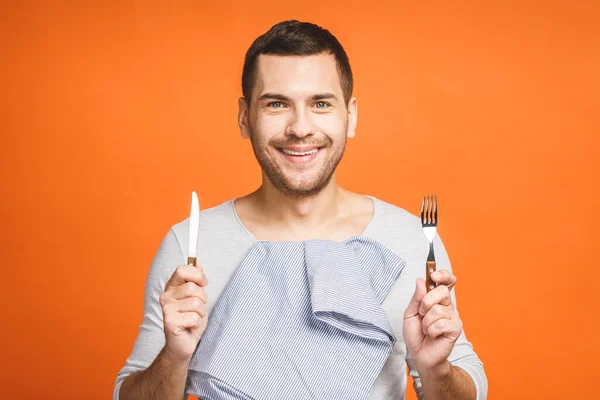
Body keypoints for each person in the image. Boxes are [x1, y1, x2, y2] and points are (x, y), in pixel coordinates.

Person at [113, 20, 487, 400]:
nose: (300, 128)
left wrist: (435, 368)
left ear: (350, 115)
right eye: (277, 104)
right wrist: (174, 358)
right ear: (245, 117)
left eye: (321, 104)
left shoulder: (409, 239)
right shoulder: (190, 245)